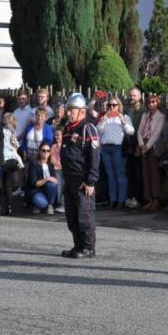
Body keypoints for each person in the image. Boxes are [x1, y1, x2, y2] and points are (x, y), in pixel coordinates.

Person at [60, 93, 100, 258]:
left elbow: (94, 157)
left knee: (85, 215)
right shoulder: (68, 128)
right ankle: (78, 245)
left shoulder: (88, 128)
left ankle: (89, 247)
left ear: (82, 111)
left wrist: (90, 181)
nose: (68, 113)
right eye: (68, 109)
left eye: (72, 110)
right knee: (72, 215)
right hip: (69, 178)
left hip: (82, 180)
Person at [97, 96, 134, 209]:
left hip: (118, 148)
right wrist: (104, 119)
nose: (112, 107)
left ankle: (121, 200)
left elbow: (131, 131)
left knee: (120, 175)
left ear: (119, 106)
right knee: (110, 175)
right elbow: (98, 130)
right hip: (105, 148)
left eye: (114, 105)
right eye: (110, 105)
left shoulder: (124, 117)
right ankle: (112, 199)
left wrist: (123, 122)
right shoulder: (105, 117)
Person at [137, 94, 165, 210]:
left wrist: (147, 147)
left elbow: (157, 133)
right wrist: (141, 145)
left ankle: (156, 199)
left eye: (154, 102)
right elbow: (139, 131)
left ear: (158, 103)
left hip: (153, 146)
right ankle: (148, 199)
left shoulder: (161, 116)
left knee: (154, 174)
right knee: (146, 174)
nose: (151, 104)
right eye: (149, 102)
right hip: (143, 144)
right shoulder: (145, 115)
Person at [124, 87, 145, 208]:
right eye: (131, 95)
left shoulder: (143, 110)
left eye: (134, 95)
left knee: (138, 172)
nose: (132, 97)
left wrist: (139, 145)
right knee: (129, 172)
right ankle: (131, 196)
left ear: (139, 97)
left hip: (138, 144)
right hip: (128, 144)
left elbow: (141, 129)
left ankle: (138, 198)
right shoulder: (126, 109)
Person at [27, 141, 59, 215]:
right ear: (39, 151)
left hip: (48, 190)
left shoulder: (51, 164)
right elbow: (35, 183)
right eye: (43, 150)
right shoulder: (33, 163)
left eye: (48, 151)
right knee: (42, 203)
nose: (46, 152)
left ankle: (50, 205)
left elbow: (55, 181)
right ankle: (40, 205)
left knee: (52, 184)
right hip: (36, 190)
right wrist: (47, 179)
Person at [1, 113, 23, 216]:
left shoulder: (4, 131)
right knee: (7, 183)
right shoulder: (10, 131)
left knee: (2, 183)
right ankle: (8, 207)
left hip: (5, 159)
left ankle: (1, 204)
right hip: (12, 160)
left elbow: (15, 145)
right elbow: (16, 146)